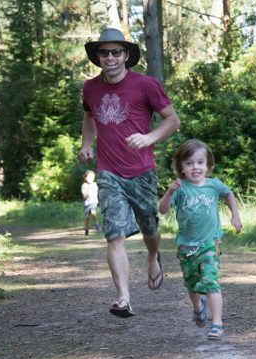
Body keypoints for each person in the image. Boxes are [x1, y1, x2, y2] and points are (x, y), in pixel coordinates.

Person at [78, 28, 180, 318]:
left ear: (126, 56)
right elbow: (89, 116)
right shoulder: (90, 88)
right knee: (114, 235)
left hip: (142, 171)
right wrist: (86, 143)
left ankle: (152, 256)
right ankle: (123, 298)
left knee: (150, 227)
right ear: (97, 56)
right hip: (108, 172)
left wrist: (149, 138)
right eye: (104, 52)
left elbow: (173, 120)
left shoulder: (146, 85)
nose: (110, 57)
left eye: (116, 52)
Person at [159, 139, 242, 339]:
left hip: (210, 243)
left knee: (210, 280)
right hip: (187, 245)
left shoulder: (214, 185)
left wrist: (235, 215)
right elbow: (162, 210)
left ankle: (217, 322)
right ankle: (198, 306)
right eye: (189, 163)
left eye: (199, 162)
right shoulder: (180, 188)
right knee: (192, 284)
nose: (195, 167)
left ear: (208, 165)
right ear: (181, 167)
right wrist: (170, 192)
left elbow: (229, 194)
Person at [81, 170, 100, 235]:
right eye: (89, 177)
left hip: (94, 201)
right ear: (85, 178)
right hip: (87, 203)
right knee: (87, 217)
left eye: (92, 177)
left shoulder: (95, 184)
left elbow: (98, 191)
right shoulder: (84, 185)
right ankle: (86, 228)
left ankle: (96, 224)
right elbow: (84, 196)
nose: (91, 179)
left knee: (93, 211)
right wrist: (88, 189)